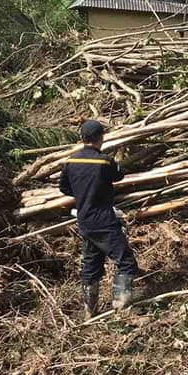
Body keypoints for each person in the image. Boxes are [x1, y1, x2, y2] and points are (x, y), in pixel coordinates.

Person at [59, 119, 139, 317]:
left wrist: (82, 194)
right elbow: (118, 176)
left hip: (85, 220)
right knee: (127, 262)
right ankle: (122, 309)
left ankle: (90, 312)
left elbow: (64, 188)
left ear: (82, 138)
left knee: (91, 265)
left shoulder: (71, 161)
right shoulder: (104, 161)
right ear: (100, 138)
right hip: (103, 220)